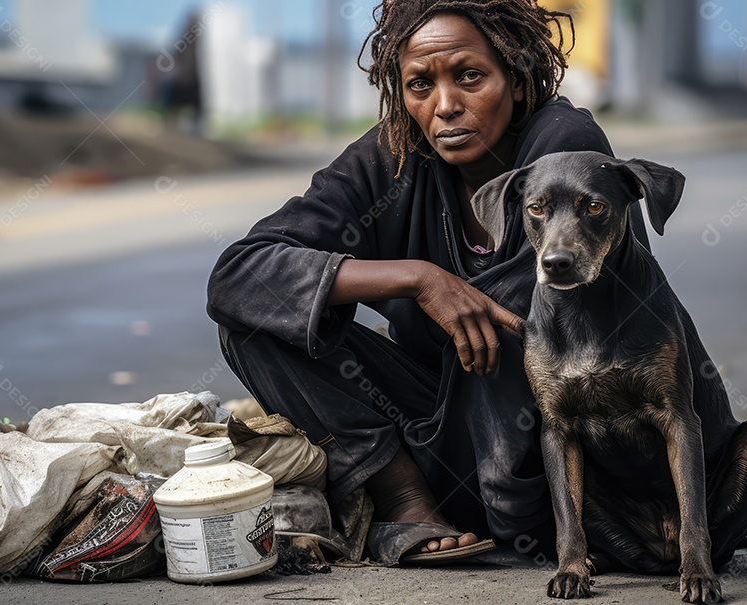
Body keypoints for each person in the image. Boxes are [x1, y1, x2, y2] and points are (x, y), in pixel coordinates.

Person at [206, 0, 651, 564]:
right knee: (255, 324)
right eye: (420, 84)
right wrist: (420, 279)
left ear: (514, 78)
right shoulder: (395, 153)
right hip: (435, 426)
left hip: (552, 441)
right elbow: (239, 274)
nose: (445, 105)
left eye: (470, 77)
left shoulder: (563, 145)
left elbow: (533, 320)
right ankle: (405, 500)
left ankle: (523, 524)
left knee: (512, 330)